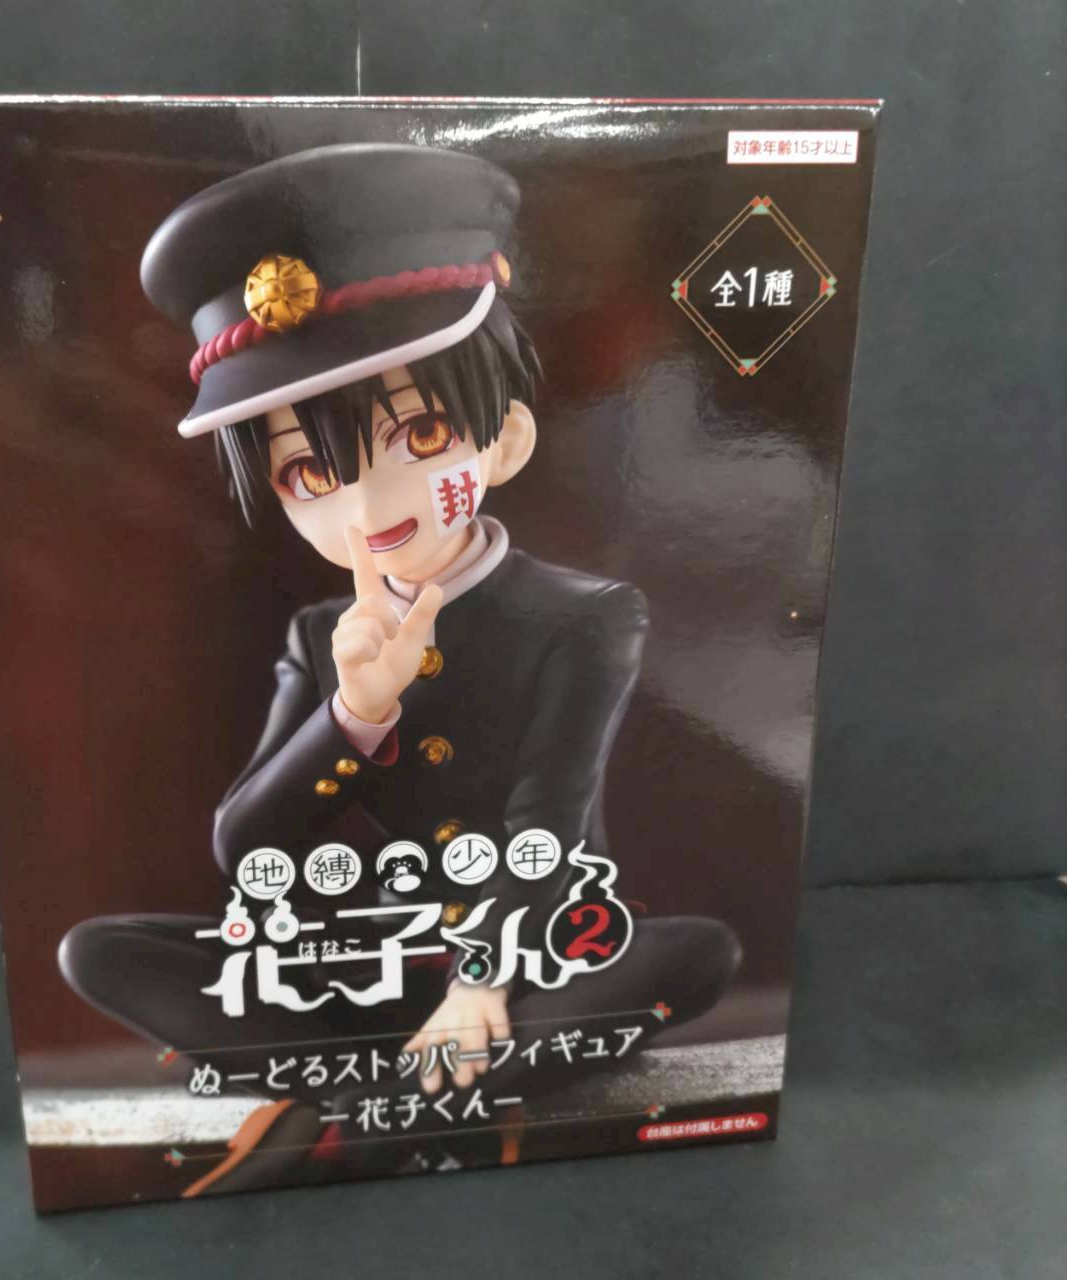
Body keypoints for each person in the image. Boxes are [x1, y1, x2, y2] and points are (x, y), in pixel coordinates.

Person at [59, 144, 740, 1195]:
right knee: (102, 952)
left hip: (527, 960)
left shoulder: (586, 617)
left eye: (418, 433)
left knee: (685, 957)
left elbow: (548, 824)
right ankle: (405, 1098)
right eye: (307, 471)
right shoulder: (321, 634)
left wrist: (480, 981)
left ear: (504, 440)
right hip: (360, 969)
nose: (368, 506)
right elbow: (249, 846)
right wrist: (354, 710)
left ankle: (343, 1114)